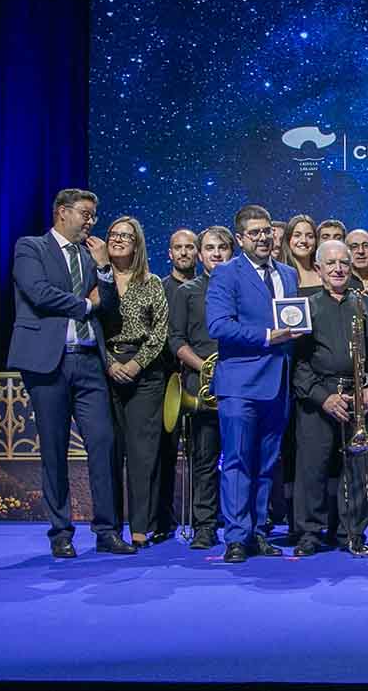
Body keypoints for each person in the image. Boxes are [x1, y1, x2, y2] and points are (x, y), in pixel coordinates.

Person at [7, 188, 135, 558]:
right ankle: (61, 532)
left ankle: (107, 530)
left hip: (88, 360)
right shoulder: (31, 247)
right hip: (47, 362)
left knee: (103, 443)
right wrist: (84, 303)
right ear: (63, 212)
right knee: (54, 447)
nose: (91, 222)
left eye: (94, 215)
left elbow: (108, 305)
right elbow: (38, 292)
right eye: (85, 214)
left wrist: (105, 269)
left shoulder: (89, 254)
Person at [206, 204, 301, 563]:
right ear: (242, 238)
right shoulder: (226, 274)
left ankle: (258, 532)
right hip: (240, 384)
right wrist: (266, 336)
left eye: (267, 232)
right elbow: (218, 326)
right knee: (237, 461)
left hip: (278, 383)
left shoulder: (288, 274)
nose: (263, 238)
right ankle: (235, 537)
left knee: (266, 464)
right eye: (255, 233)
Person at [293, 240, 368, 558]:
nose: (338, 269)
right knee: (312, 468)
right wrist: (323, 398)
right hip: (319, 399)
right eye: (331, 263)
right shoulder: (304, 306)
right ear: (318, 268)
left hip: (358, 399)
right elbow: (296, 362)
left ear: (351, 268)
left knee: (356, 471)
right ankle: (309, 532)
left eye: (344, 263)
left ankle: (351, 531)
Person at [101, 216, 170, 549]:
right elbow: (89, 326)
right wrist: (110, 363)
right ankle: (110, 527)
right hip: (105, 370)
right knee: (110, 452)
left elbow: (160, 332)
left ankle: (141, 526)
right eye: (113, 235)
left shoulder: (151, 282)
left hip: (145, 374)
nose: (118, 240)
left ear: (137, 243)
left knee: (143, 455)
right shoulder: (95, 280)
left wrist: (136, 364)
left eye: (125, 236)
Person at [168, 225, 235, 549]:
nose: (217, 253)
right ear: (200, 253)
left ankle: (244, 525)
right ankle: (205, 526)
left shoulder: (244, 288)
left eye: (223, 247)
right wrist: (205, 367)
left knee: (240, 459)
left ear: (231, 252)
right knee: (205, 459)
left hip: (239, 383)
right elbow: (176, 339)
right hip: (202, 386)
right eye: (210, 248)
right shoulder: (188, 291)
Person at [277, 214, 323, 536]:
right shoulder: (282, 276)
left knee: (317, 448)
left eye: (309, 235)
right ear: (288, 240)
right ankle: (294, 519)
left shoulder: (325, 273)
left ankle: (322, 518)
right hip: (288, 365)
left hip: (320, 366)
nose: (304, 240)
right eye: (298, 235)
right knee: (290, 445)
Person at [157, 228, 197, 539]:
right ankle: (163, 520)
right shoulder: (160, 288)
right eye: (178, 248)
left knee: (202, 452)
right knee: (165, 452)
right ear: (170, 253)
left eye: (189, 247)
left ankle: (202, 518)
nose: (183, 253)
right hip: (166, 380)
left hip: (197, 380)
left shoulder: (211, 287)